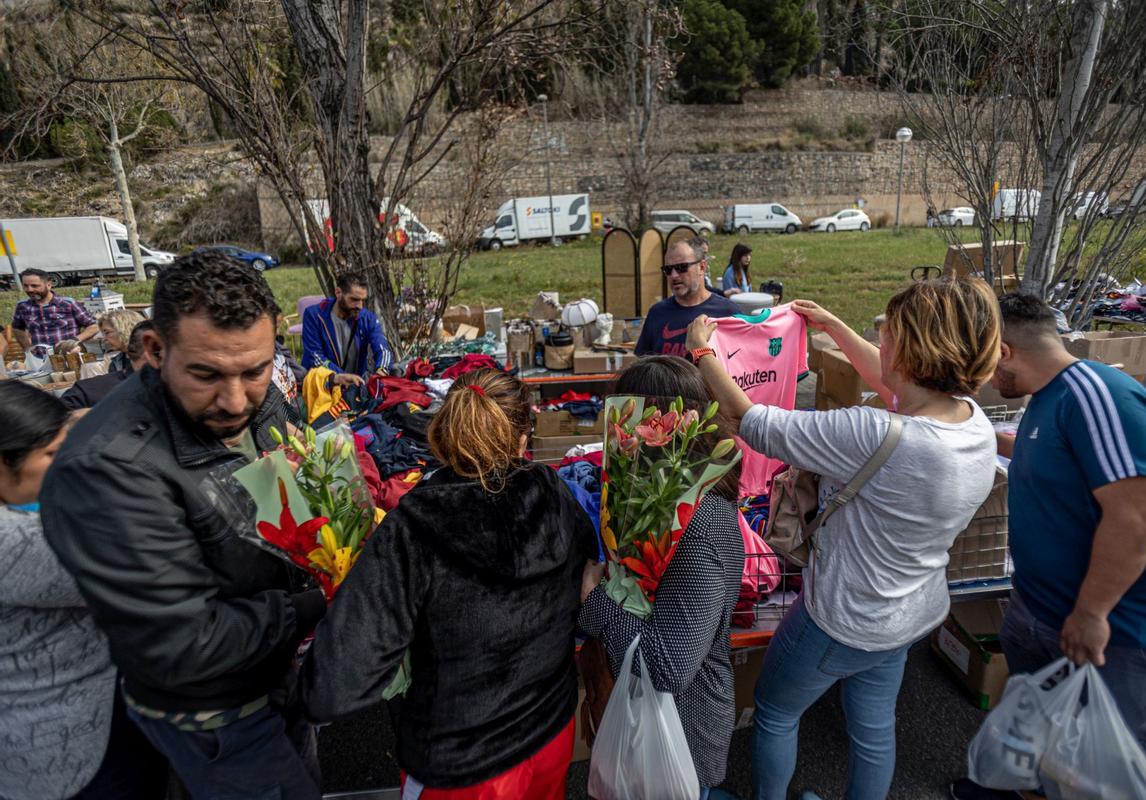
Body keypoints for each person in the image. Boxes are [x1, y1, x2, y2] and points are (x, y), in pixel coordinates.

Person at [687, 277, 1002, 800]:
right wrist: (833, 326)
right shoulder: (973, 425)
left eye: (890, 332)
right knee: (874, 728)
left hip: (841, 617)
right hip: (910, 611)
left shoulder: (876, 433)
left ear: (915, 349)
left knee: (776, 710)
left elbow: (752, 421)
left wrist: (702, 351)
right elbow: (895, 386)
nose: (881, 337)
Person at [41, 250, 327, 800]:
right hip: (215, 713)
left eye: (255, 370)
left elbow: (288, 487)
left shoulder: (257, 401)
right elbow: (185, 647)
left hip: (276, 671)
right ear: (154, 350)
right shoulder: (107, 470)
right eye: (207, 375)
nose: (235, 400)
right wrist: (323, 598)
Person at [950, 294, 1146, 800]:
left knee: (1112, 767)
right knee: (1048, 728)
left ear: (1002, 351)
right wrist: (979, 433)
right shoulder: (1051, 397)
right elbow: (1057, 459)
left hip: (1124, 629)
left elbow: (1134, 517)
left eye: (980, 364)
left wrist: (1091, 612)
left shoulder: (1099, 396)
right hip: (1046, 610)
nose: (980, 379)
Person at [302, 368, 594, 799]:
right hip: (550, 736)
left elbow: (333, 686)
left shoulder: (416, 524)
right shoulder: (552, 490)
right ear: (521, 440)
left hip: (463, 765)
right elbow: (587, 580)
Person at [578, 356, 745, 798]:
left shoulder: (700, 522)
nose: (617, 435)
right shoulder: (654, 499)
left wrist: (594, 600)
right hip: (641, 722)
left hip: (679, 737)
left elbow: (667, 666)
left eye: (626, 421)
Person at [0, 380, 166, 799]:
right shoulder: (16, 543)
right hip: (67, 746)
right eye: (53, 455)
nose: (67, 462)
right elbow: (145, 566)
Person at [635, 239, 738, 358]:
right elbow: (642, 364)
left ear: (702, 267)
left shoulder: (728, 313)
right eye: (668, 270)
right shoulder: (657, 313)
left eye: (681, 267)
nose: (673, 275)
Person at [301, 271, 394, 385]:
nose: (360, 306)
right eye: (354, 299)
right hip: (323, 386)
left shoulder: (367, 318)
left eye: (362, 300)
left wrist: (382, 371)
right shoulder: (314, 315)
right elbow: (314, 356)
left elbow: (383, 349)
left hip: (355, 386)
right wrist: (341, 376)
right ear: (338, 292)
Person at [60, 319, 154, 410]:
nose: (103, 339)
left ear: (123, 329)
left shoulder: (84, 391)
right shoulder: (116, 361)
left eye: (107, 332)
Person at [8, 268, 99, 353]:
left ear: (49, 285)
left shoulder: (68, 303)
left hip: (70, 355)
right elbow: (17, 328)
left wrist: (74, 340)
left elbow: (94, 326)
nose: (30, 289)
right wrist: (28, 349)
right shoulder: (23, 306)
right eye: (26, 286)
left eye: (34, 286)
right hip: (41, 359)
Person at [97, 308, 147, 373]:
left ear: (125, 330)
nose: (104, 339)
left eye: (107, 333)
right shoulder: (116, 363)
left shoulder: (156, 357)